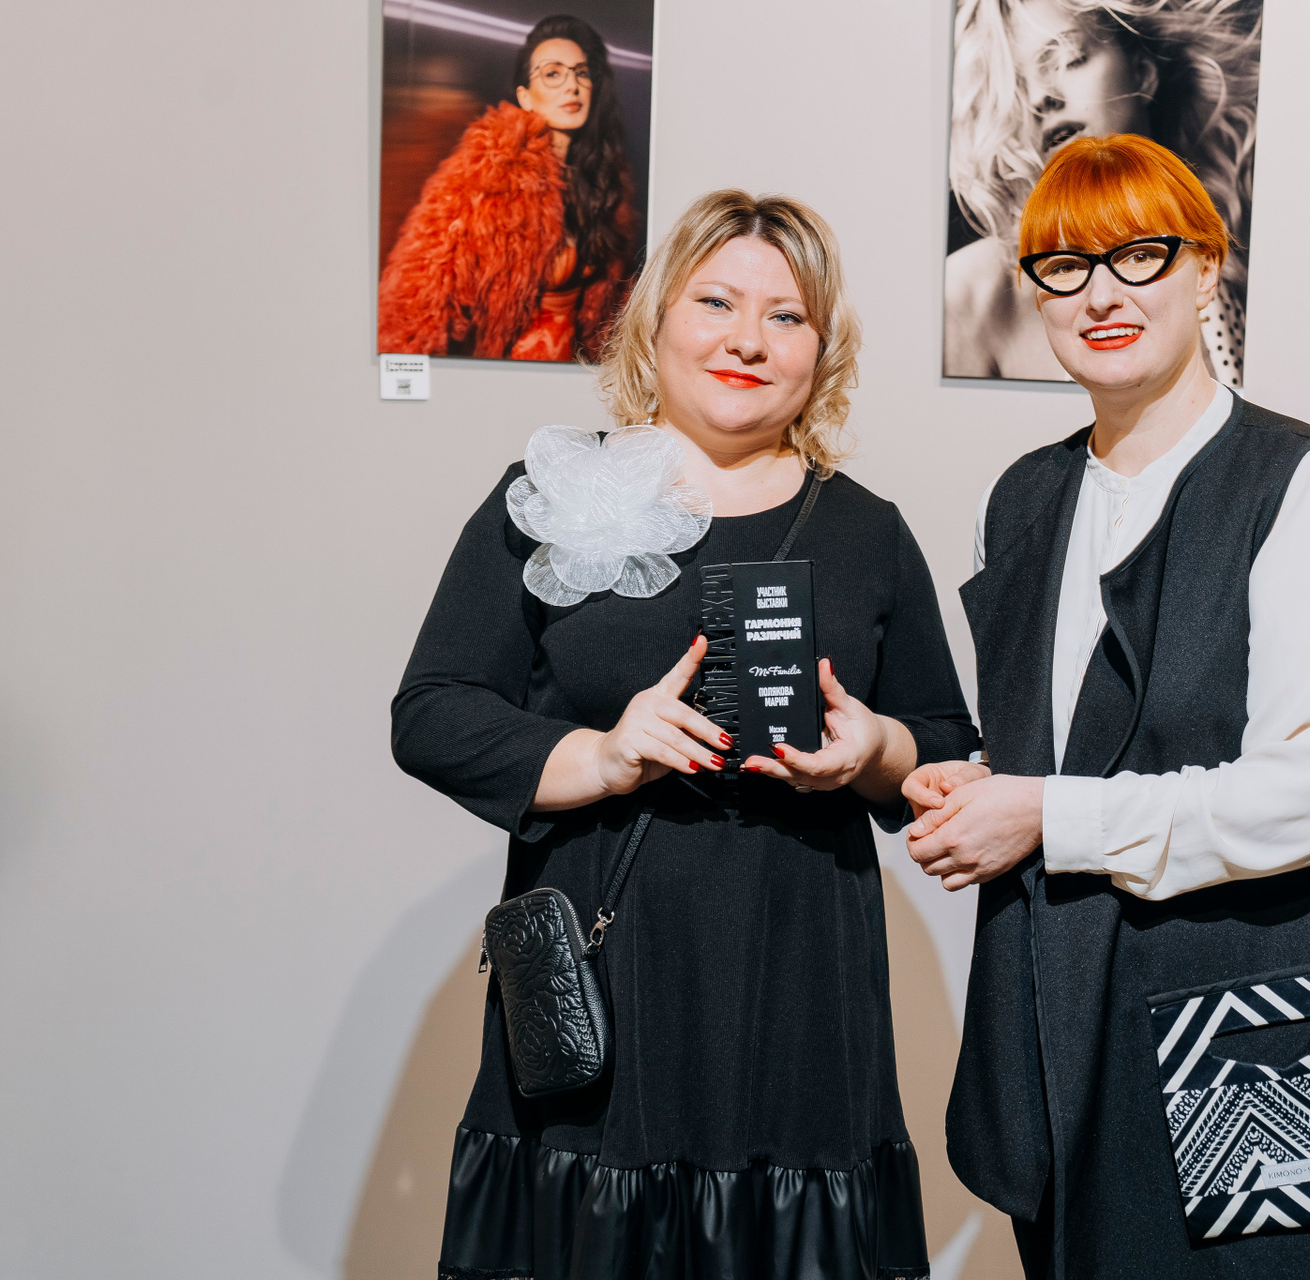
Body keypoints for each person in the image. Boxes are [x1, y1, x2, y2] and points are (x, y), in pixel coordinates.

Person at [904, 135, 1310, 1277]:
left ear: (1207, 267)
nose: (1101, 294)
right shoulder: (1019, 503)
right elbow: (1064, 749)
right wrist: (977, 783)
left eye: (1140, 255)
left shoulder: (1306, 483)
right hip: (1072, 1022)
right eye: (1065, 265)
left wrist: (1045, 815)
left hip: (1264, 1038)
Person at [394, 188, 977, 1280]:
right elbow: (432, 710)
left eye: (786, 316)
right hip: (609, 981)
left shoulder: (869, 533)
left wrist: (875, 749)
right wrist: (601, 755)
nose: (747, 339)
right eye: (716, 302)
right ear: (655, 318)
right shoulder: (550, 495)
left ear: (821, 350)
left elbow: (944, 750)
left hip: (800, 992)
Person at [944, 0, 1257, 383]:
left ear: (1142, 73)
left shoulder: (1243, 235)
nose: (1041, 97)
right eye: (1014, 86)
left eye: (1067, 60)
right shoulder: (968, 296)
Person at [378, 14, 638, 362]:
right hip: (505, 376)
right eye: (553, 74)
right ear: (525, 97)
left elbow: (612, 315)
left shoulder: (606, 185)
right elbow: (416, 295)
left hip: (576, 380)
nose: (572, 86)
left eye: (581, 73)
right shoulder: (489, 174)